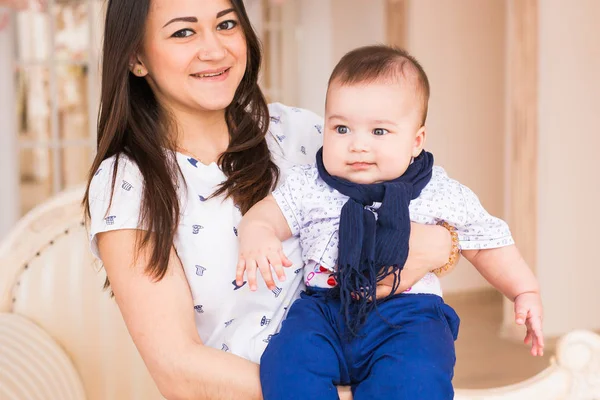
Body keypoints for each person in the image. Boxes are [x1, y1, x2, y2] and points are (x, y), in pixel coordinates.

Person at [83, 1, 457, 399]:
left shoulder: (302, 132)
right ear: (137, 57)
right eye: (183, 32)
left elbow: (430, 205)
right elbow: (180, 371)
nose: (214, 49)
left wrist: (443, 244)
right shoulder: (127, 184)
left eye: (226, 24)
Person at [237, 45, 544, 400]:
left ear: (416, 142)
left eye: (379, 132)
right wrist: (257, 232)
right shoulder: (310, 184)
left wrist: (524, 290)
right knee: (286, 361)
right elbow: (267, 214)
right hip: (323, 310)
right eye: (341, 129)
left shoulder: (439, 191)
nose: (358, 145)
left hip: (408, 316)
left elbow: (487, 241)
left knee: (416, 376)